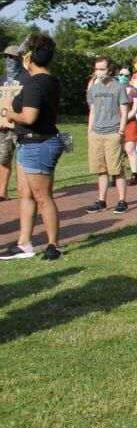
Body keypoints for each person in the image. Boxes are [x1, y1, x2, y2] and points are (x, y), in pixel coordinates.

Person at [0, 34, 63, 260]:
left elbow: (29, 116)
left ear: (30, 57)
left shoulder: (37, 82)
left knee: (42, 196)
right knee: (25, 194)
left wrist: (7, 113)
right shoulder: (46, 80)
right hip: (28, 142)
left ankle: (53, 245)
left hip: (39, 142)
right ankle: (24, 243)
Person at [85, 57, 130, 214]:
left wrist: (121, 132)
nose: (99, 72)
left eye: (102, 69)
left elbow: (124, 112)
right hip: (97, 133)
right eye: (97, 69)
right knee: (101, 169)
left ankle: (122, 200)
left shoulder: (118, 88)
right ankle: (101, 200)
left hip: (113, 133)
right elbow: (93, 110)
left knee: (116, 169)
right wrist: (90, 131)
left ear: (109, 70)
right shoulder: (94, 89)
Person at [0, 43, 31, 200]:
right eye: (5, 57)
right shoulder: (1, 79)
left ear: (19, 58)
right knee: (3, 159)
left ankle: (25, 192)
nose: (8, 60)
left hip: (21, 126)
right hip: (4, 127)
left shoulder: (27, 77)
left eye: (11, 57)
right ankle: (2, 192)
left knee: (23, 160)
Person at [116, 64, 137, 185]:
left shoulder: (134, 91)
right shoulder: (114, 89)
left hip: (130, 122)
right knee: (116, 150)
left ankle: (134, 175)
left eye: (126, 75)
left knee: (130, 149)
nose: (123, 77)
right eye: (121, 74)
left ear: (130, 77)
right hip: (115, 123)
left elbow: (135, 109)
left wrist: (124, 119)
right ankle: (116, 174)